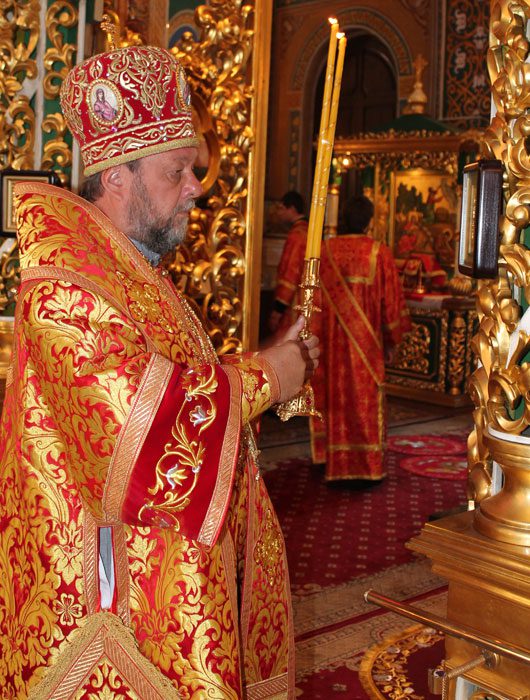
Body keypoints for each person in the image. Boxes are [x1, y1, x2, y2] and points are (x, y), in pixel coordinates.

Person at [0, 42, 319, 699]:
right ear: (117, 176)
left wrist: (269, 360)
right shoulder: (63, 286)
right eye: (178, 171)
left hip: (164, 590)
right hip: (109, 620)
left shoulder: (130, 271)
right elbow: (139, 432)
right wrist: (269, 376)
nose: (196, 186)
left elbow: (172, 377)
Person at [310, 195, 409, 482]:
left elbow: (311, 300)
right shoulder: (378, 253)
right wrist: (392, 340)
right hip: (366, 346)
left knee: (334, 398)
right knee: (364, 399)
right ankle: (366, 466)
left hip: (329, 344)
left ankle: (331, 459)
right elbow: (391, 306)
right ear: (369, 221)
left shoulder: (323, 250)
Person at [268, 191, 308, 334]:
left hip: (295, 300)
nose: (278, 213)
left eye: (281, 209)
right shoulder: (307, 230)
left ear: (292, 209)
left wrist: (278, 310)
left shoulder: (297, 235)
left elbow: (291, 272)